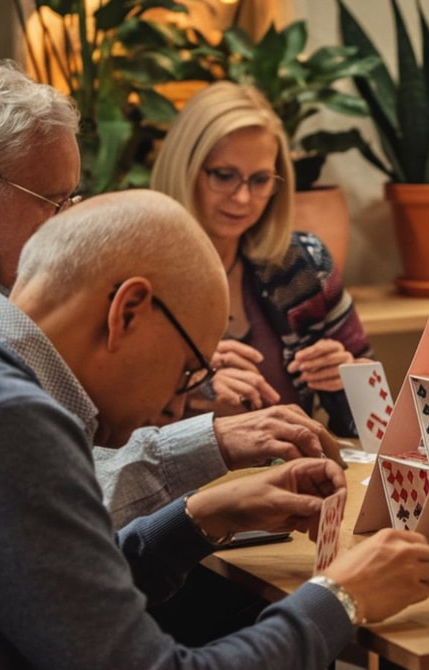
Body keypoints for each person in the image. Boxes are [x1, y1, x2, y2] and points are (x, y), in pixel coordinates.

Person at [0, 189, 429, 670]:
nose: (173, 405)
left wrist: (200, 516)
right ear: (127, 310)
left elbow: (57, 597)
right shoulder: (1, 418)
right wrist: (341, 598)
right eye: (187, 371)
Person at [0, 60, 327, 527]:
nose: (67, 221)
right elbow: (36, 499)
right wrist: (209, 446)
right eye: (54, 201)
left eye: (71, 201)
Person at [151, 81, 372, 437]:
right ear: (185, 166)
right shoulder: (135, 274)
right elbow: (104, 437)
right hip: (185, 491)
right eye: (224, 176)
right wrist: (186, 392)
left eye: (260, 180)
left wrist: (349, 380)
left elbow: (374, 423)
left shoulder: (304, 266)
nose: (242, 198)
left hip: (297, 481)